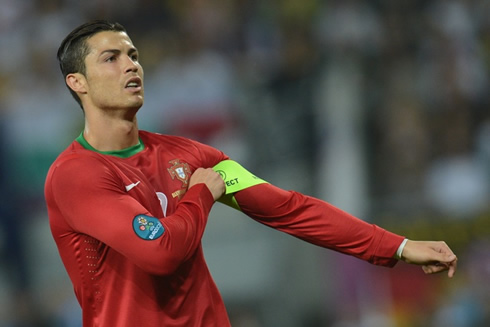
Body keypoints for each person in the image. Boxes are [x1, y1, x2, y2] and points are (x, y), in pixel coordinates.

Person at [44, 20, 457, 327]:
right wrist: (202, 194)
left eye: (133, 55)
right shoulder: (75, 176)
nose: (131, 66)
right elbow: (161, 252)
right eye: (111, 58)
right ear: (77, 82)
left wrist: (397, 246)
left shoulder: (189, 156)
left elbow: (290, 209)